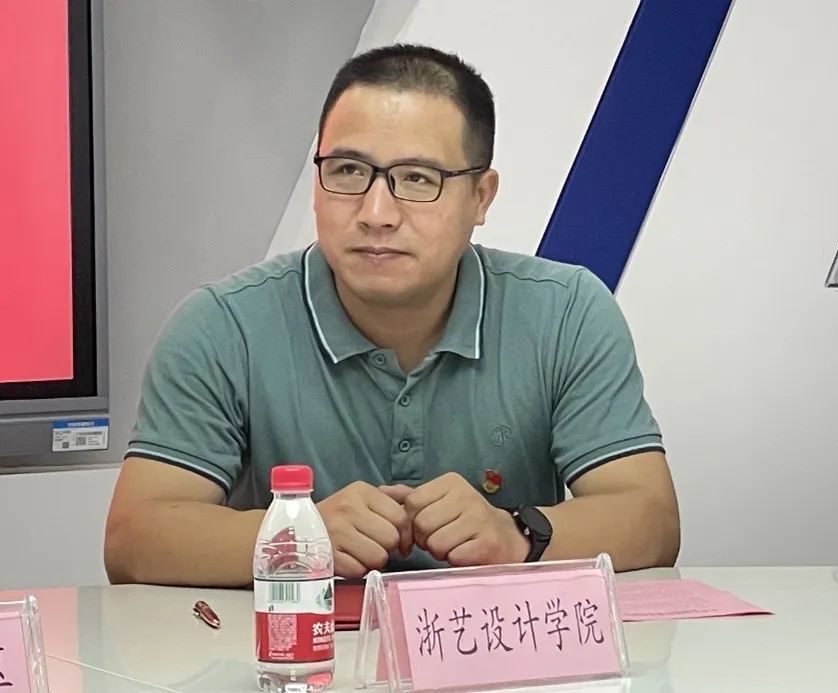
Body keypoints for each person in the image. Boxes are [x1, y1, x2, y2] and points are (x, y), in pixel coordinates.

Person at [104, 44, 679, 587]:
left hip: (497, 649)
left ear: (481, 197)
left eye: (418, 179)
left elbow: (650, 519)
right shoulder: (222, 327)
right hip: (296, 649)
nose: (376, 213)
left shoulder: (565, 311)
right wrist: (298, 537)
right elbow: (134, 539)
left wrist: (516, 535)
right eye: (348, 172)